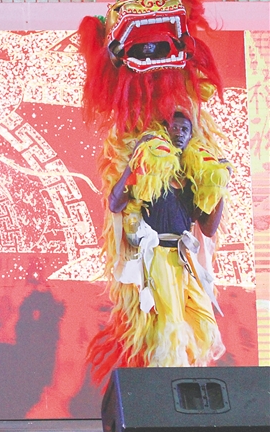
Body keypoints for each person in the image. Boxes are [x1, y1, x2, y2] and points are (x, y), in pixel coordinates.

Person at [88, 111, 230, 374]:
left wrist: (220, 187)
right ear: (165, 131)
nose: (179, 133)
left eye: (184, 130)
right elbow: (115, 203)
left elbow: (208, 228)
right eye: (174, 128)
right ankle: (170, 378)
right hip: (159, 257)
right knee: (170, 322)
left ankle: (190, 373)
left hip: (185, 258)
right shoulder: (150, 174)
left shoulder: (191, 182)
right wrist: (133, 164)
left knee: (203, 318)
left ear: (190, 136)